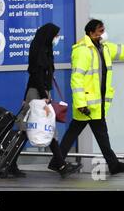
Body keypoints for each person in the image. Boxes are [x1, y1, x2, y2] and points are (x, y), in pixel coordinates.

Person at [48, 19, 124, 175]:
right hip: (88, 104)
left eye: (103, 29)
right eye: (101, 30)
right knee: (95, 134)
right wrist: (81, 103)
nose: (104, 33)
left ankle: (58, 161)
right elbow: (77, 78)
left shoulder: (104, 48)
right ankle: (112, 164)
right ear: (91, 33)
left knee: (84, 133)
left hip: (96, 104)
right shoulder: (82, 51)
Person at [10, 23, 82, 178]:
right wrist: (43, 95)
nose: (56, 38)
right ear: (49, 35)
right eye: (55, 35)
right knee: (41, 127)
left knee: (39, 128)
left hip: (37, 93)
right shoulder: (41, 52)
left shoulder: (43, 50)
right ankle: (60, 165)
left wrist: (27, 97)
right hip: (37, 94)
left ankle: (59, 165)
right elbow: (35, 75)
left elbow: (33, 76)